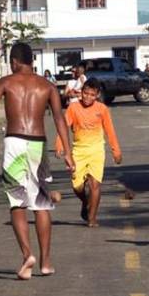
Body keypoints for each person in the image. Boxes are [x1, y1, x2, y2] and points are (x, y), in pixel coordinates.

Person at [0, 42, 75, 279]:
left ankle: (27, 254)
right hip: (37, 145)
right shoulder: (47, 85)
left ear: (14, 61)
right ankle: (46, 262)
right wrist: (68, 152)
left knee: (17, 202)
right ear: (32, 61)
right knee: (40, 203)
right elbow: (59, 119)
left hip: (15, 142)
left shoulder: (7, 82)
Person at [56, 78, 122, 227]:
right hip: (79, 151)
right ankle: (86, 201)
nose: (88, 97)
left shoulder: (102, 109)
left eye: (92, 95)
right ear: (81, 92)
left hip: (97, 150)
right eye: (85, 93)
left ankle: (92, 218)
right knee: (77, 187)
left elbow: (110, 131)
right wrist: (59, 144)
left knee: (95, 185)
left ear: (97, 95)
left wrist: (116, 150)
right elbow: (64, 127)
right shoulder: (73, 108)